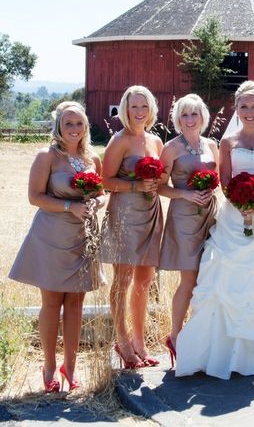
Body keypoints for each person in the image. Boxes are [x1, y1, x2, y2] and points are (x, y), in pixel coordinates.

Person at [175, 80, 254, 379]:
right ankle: (224, 352)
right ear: (236, 108)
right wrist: (239, 202)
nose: (249, 112)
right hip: (234, 215)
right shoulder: (228, 142)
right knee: (226, 279)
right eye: (244, 106)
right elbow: (224, 178)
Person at [9, 101, 106, 392]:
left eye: (79, 124)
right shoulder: (47, 157)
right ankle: (49, 366)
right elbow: (35, 197)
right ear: (58, 126)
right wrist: (69, 206)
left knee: (76, 303)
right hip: (51, 238)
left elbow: (101, 193)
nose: (74, 129)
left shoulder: (93, 159)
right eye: (68, 123)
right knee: (52, 303)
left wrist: (99, 201)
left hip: (83, 238)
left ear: (86, 126)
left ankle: (71, 367)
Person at [101, 85, 163, 369]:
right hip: (125, 212)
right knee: (123, 279)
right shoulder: (120, 140)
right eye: (134, 106)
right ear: (125, 110)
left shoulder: (155, 141)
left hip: (150, 211)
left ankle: (140, 341)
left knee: (145, 279)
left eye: (144, 106)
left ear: (151, 109)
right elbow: (106, 181)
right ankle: (122, 340)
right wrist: (136, 185)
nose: (139, 112)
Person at [158, 93, 219, 365]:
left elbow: (218, 178)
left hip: (210, 214)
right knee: (189, 278)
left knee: (207, 276)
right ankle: (175, 335)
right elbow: (159, 186)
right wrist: (185, 195)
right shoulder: (171, 148)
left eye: (194, 113)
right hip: (184, 216)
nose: (190, 119)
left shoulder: (211, 145)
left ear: (203, 116)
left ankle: (200, 336)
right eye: (184, 114)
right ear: (177, 118)